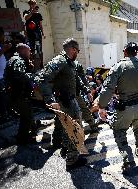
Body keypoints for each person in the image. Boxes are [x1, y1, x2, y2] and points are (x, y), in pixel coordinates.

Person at [95, 42, 138, 170]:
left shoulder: (118, 67)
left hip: (124, 108)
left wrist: (101, 107)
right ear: (136, 53)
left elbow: (108, 89)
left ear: (124, 52)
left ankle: (128, 161)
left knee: (119, 132)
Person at [38, 38, 87, 171]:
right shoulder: (60, 60)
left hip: (70, 100)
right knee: (73, 129)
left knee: (68, 128)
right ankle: (72, 160)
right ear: (72, 49)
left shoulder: (68, 62)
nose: (77, 53)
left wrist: (86, 90)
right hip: (65, 102)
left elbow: (75, 79)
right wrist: (50, 99)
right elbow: (43, 79)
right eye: (77, 50)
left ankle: (67, 150)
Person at [4, 43, 36, 144]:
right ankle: (23, 139)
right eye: (29, 51)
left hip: (14, 94)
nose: (30, 53)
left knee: (25, 116)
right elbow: (19, 75)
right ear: (22, 50)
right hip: (18, 95)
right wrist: (33, 77)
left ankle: (24, 135)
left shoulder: (13, 59)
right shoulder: (18, 60)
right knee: (27, 116)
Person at [0, 27, 12, 123]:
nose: (3, 37)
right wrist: (4, 49)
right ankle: (3, 115)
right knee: (1, 97)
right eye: (2, 35)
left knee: (3, 96)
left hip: (1, 75)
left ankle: (5, 113)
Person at [23, 0, 44, 70]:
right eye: (32, 4)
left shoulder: (38, 14)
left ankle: (41, 64)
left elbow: (40, 25)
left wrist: (43, 33)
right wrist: (32, 12)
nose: (34, 5)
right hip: (30, 34)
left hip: (37, 34)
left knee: (39, 50)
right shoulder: (26, 12)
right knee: (31, 50)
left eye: (34, 4)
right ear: (29, 5)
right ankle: (32, 65)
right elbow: (26, 18)